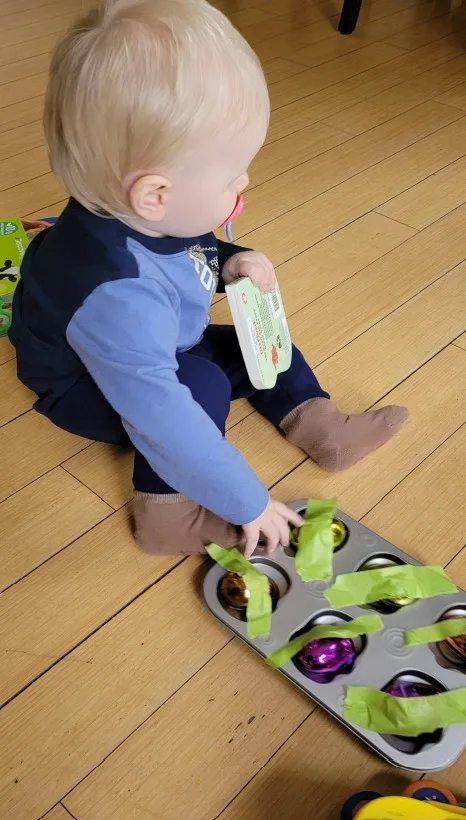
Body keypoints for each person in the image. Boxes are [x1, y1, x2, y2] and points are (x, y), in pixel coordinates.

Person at [10, 0, 408, 558]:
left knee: (258, 344)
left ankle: (324, 427)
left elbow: (186, 247)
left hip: (159, 338)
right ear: (155, 194)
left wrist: (231, 261)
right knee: (202, 388)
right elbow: (165, 421)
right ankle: (167, 520)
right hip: (85, 388)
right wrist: (248, 501)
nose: (246, 180)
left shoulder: (143, 212)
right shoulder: (116, 296)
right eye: (232, 176)